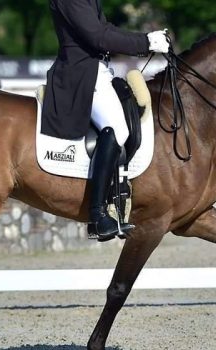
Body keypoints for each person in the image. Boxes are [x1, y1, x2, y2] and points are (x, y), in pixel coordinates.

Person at [42, 0, 169, 242]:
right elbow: (98, 36)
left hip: (98, 71)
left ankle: (118, 198)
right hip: (82, 75)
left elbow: (106, 28)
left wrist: (147, 39)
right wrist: (145, 42)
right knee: (118, 129)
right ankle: (98, 215)